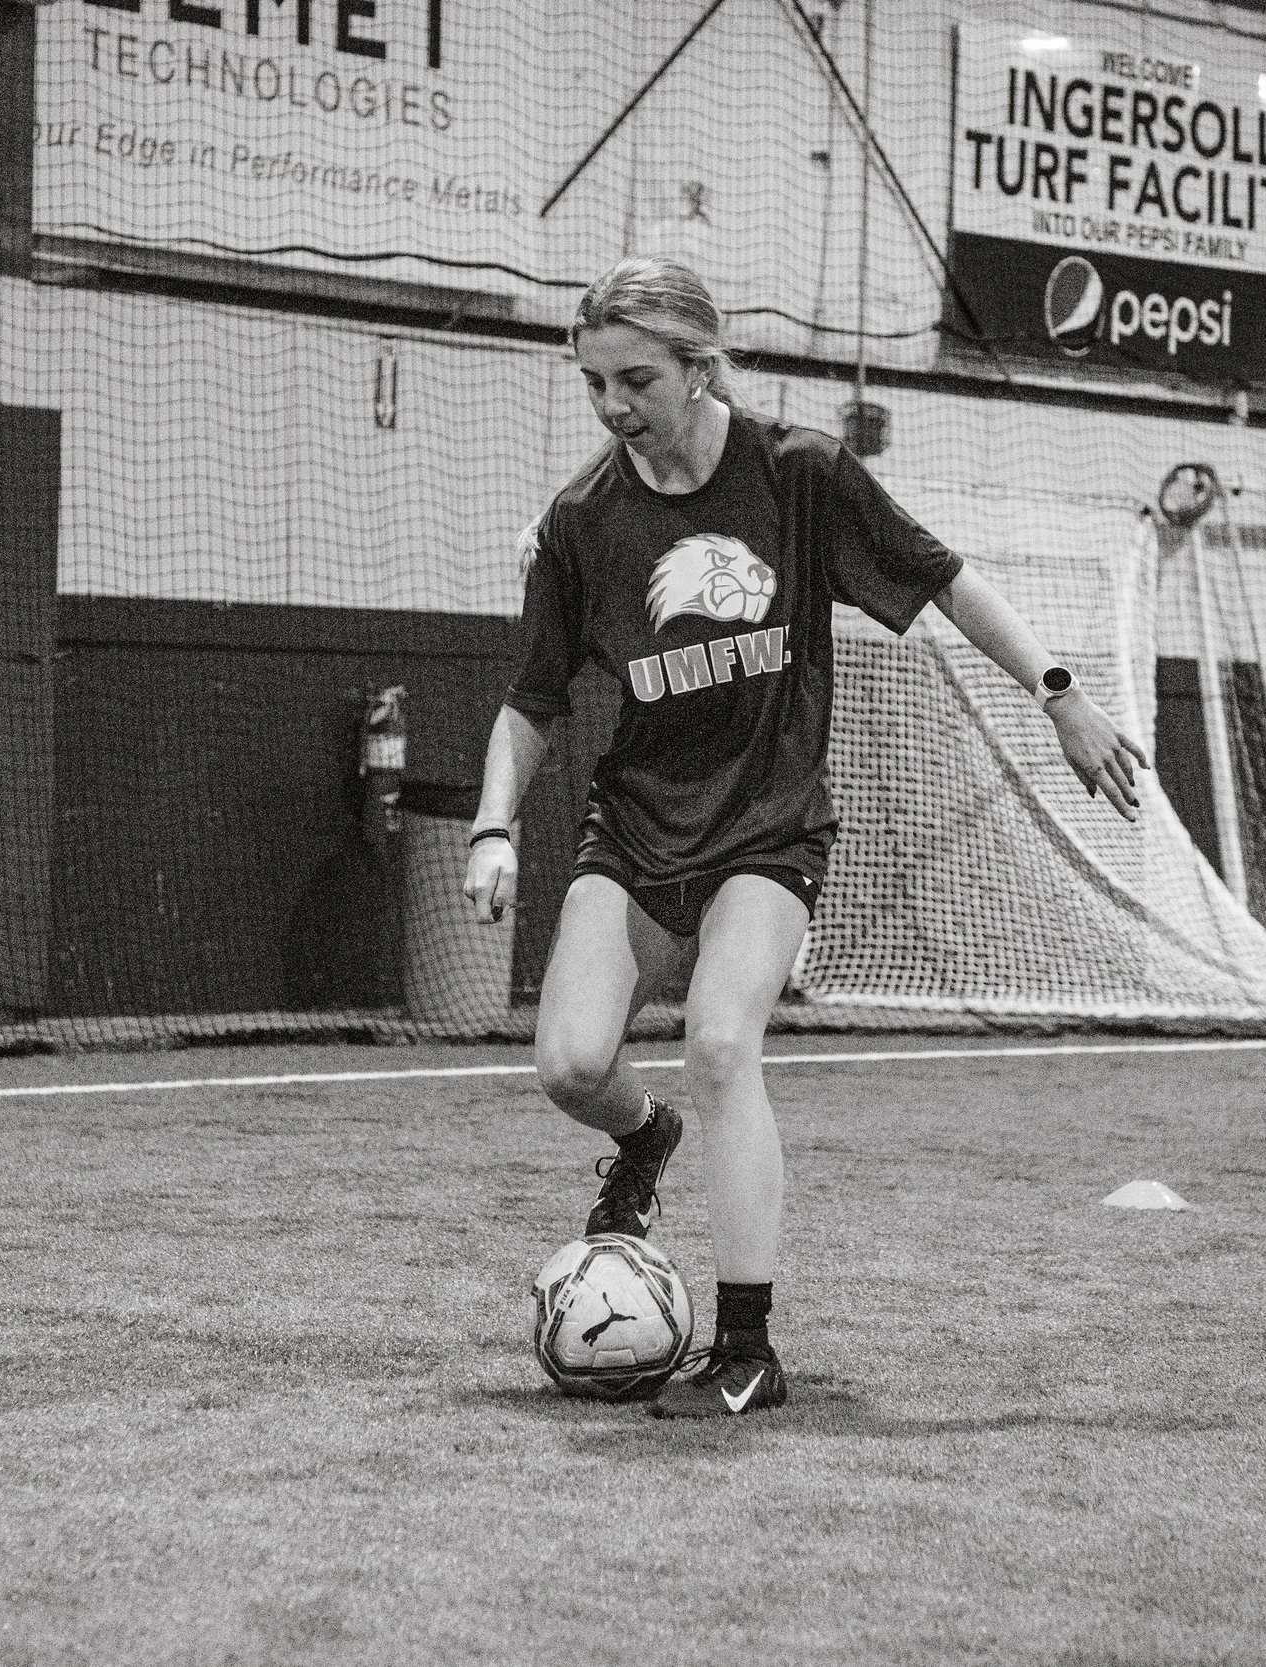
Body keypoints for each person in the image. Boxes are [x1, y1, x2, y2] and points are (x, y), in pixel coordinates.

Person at [463, 256, 1148, 1419]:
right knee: (571, 1063)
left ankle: (745, 1346)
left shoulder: (800, 475)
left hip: (768, 826)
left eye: (635, 379)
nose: (613, 406)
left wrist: (1059, 690)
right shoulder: (584, 523)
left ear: (698, 365)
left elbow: (943, 580)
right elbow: (531, 700)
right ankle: (646, 1137)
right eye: (593, 384)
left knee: (723, 1042)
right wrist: (492, 826)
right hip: (632, 829)